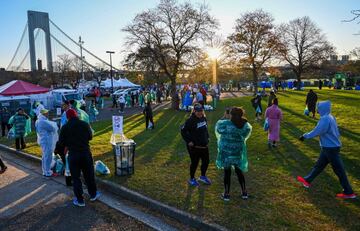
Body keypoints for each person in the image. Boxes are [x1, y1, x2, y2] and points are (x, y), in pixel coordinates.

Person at [297, 101, 356, 199]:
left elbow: (317, 131)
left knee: (339, 170)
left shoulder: (325, 119)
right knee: (319, 166)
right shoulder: (330, 117)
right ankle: (307, 180)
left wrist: (304, 136)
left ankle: (349, 192)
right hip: (329, 147)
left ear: (323, 109)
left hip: (330, 148)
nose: (317, 110)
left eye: (318, 108)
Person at [58, 109, 100, 207]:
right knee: (89, 175)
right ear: (76, 115)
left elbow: (61, 143)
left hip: (73, 154)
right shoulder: (84, 124)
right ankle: (93, 194)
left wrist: (69, 143)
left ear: (67, 117)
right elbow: (90, 137)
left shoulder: (65, 127)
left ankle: (80, 200)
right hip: (85, 152)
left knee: (76, 178)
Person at [215, 107, 252, 201]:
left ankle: (226, 194)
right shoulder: (244, 125)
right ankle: (244, 192)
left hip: (226, 152)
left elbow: (219, 130)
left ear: (230, 115)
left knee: (227, 172)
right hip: (237, 152)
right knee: (239, 171)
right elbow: (246, 134)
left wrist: (224, 117)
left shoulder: (224, 124)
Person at [181, 103, 211, 186]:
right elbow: (183, 131)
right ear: (194, 111)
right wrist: (188, 141)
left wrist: (207, 137)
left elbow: (205, 129)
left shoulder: (204, 118)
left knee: (206, 161)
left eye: (201, 111)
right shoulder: (190, 120)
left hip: (204, 145)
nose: (199, 113)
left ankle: (202, 176)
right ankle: (192, 178)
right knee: (195, 162)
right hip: (194, 147)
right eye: (197, 111)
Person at [35, 109, 59, 177]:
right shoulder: (43, 122)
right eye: (47, 113)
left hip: (43, 140)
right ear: (44, 114)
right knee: (48, 156)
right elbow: (52, 128)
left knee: (44, 156)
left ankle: (45, 170)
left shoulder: (38, 121)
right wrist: (54, 125)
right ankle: (48, 172)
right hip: (47, 140)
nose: (48, 114)